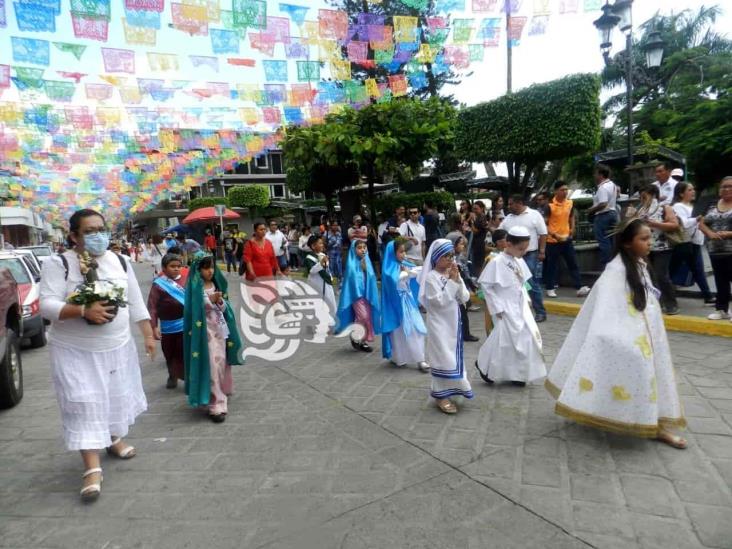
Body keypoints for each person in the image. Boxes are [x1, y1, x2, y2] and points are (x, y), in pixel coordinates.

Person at [39, 209, 155, 501]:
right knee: (84, 403)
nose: (97, 235)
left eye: (101, 229)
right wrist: (81, 310)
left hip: (117, 347)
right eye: (89, 231)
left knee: (114, 397)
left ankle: (113, 438)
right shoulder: (58, 264)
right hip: (74, 352)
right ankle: (92, 468)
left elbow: (135, 301)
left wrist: (148, 333)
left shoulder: (120, 260)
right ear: (74, 236)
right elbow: (46, 305)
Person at [545, 219, 687, 449]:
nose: (649, 243)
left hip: (648, 336)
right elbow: (606, 311)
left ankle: (655, 423)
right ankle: (636, 419)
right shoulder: (615, 271)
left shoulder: (641, 264)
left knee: (654, 376)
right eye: (644, 238)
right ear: (627, 243)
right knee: (637, 372)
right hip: (627, 337)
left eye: (650, 237)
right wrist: (621, 338)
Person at [475, 226, 546, 387]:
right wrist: (497, 307)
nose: (523, 252)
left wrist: (527, 298)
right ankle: (485, 365)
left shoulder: (519, 261)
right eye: (520, 248)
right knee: (505, 340)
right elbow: (487, 286)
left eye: (525, 249)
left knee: (526, 338)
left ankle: (518, 374)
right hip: (504, 306)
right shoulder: (496, 262)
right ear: (508, 244)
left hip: (519, 305)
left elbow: (521, 284)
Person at [183, 255, 243, 423]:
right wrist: (210, 301)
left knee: (221, 362)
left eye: (212, 267)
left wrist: (221, 302)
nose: (210, 271)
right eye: (206, 268)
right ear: (198, 269)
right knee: (210, 364)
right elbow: (196, 307)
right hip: (204, 332)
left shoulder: (217, 283)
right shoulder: (196, 286)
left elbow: (225, 307)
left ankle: (221, 392)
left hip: (219, 330)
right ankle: (215, 403)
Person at [418, 239, 474, 415]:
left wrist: (457, 280)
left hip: (453, 324)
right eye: (446, 256)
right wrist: (451, 282)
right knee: (443, 358)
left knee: (454, 359)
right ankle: (440, 395)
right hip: (439, 326)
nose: (450, 259)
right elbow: (438, 302)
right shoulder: (430, 278)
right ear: (436, 257)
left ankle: (455, 389)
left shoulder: (452, 273)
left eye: (452, 255)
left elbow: (464, 297)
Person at [631, 185, 680, 315]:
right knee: (649, 276)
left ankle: (671, 303)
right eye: (640, 197)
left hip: (662, 247)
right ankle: (656, 302)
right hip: (646, 249)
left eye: (644, 196)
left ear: (652, 195)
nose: (642, 199)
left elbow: (674, 225)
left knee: (661, 275)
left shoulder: (664, 208)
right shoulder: (640, 210)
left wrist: (654, 223)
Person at [381, 240, 429, 372]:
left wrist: (410, 271)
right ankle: (399, 357)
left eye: (404, 252)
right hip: (397, 305)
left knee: (415, 328)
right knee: (398, 332)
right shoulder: (388, 269)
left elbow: (416, 271)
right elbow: (394, 279)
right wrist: (406, 273)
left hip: (408, 302)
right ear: (393, 252)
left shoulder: (403, 265)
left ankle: (421, 359)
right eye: (401, 252)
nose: (404, 255)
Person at [499, 195, 548, 322]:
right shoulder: (508, 218)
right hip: (513, 256)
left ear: (519, 203)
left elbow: (543, 233)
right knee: (515, 282)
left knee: (530, 282)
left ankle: (540, 311)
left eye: (511, 204)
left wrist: (542, 251)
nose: (508, 207)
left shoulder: (534, 214)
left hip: (530, 254)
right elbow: (500, 232)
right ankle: (521, 311)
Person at [544, 181, 592, 298]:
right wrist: (555, 235)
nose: (565, 192)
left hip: (566, 239)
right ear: (556, 191)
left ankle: (579, 287)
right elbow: (544, 224)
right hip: (553, 240)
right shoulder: (549, 206)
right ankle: (550, 287)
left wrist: (573, 229)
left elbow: (571, 217)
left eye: (566, 189)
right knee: (552, 265)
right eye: (562, 190)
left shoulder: (570, 203)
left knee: (573, 263)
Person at [670, 182, 715, 304]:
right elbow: (684, 223)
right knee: (674, 269)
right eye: (689, 190)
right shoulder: (678, 206)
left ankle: (708, 296)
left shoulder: (693, 207)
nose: (693, 191)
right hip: (684, 242)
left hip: (695, 242)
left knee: (697, 269)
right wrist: (697, 218)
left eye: (693, 189)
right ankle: (708, 296)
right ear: (681, 193)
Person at [147, 253, 186, 389]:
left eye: (178, 266)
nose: (176, 269)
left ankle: (187, 377)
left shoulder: (186, 281)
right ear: (164, 268)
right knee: (169, 352)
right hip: (167, 327)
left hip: (184, 324)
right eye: (172, 266)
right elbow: (152, 307)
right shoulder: (158, 285)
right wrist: (153, 327)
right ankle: (172, 374)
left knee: (183, 352)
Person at [336, 240, 381, 353]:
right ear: (354, 250)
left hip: (367, 295)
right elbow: (352, 280)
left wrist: (366, 269)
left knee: (367, 317)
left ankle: (362, 341)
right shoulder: (351, 264)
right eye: (359, 247)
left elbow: (371, 277)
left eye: (364, 247)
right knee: (363, 316)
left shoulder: (367, 261)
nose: (362, 250)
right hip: (356, 296)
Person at [699, 176, 732, 320]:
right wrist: (710, 233)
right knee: (720, 280)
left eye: (730, 186)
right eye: (724, 186)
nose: (726, 189)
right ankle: (721, 309)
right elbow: (701, 222)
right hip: (715, 250)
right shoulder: (712, 204)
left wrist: (729, 234)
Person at [446, 233, 480, 342]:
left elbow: (466, 273)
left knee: (463, 312)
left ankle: (465, 333)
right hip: (452, 288)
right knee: (458, 312)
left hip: (461, 287)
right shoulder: (449, 259)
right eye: (460, 244)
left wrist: (470, 284)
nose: (463, 247)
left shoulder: (459, 257)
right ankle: (462, 334)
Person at [588, 164, 619, 270]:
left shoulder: (602, 187)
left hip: (603, 216)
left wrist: (591, 210)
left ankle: (606, 266)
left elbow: (603, 203)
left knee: (603, 242)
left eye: (595, 173)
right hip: (613, 213)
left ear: (600, 174)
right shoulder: (613, 185)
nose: (594, 176)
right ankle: (614, 264)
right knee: (612, 241)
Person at [480, 229, 508, 336]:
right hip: (493, 294)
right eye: (506, 239)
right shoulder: (491, 258)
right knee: (492, 319)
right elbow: (484, 279)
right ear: (499, 242)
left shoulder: (509, 256)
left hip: (506, 295)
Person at [303, 235, 336, 314]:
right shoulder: (309, 257)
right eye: (320, 243)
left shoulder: (323, 255)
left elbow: (327, 269)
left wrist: (330, 276)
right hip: (316, 283)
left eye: (322, 243)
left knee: (329, 300)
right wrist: (321, 263)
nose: (322, 245)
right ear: (313, 246)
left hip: (326, 282)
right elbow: (312, 270)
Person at [468, 201, 488, 277]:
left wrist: (472, 221)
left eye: (476, 209)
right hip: (477, 242)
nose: (474, 211)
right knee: (477, 262)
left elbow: (475, 231)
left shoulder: (481, 217)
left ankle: (479, 278)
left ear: (482, 208)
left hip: (479, 243)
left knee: (478, 262)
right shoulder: (480, 217)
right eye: (473, 209)